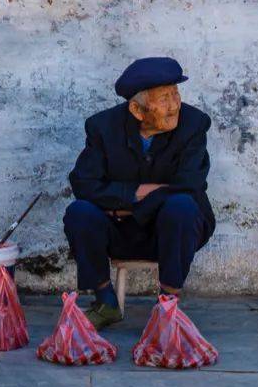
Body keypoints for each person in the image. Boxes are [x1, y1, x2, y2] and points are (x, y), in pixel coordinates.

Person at [63, 57, 215, 329]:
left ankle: (168, 305)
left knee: (181, 206)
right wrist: (138, 192)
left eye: (175, 94)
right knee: (79, 212)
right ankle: (106, 301)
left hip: (173, 231)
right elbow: (83, 184)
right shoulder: (102, 127)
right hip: (121, 232)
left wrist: (122, 204)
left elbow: (189, 185)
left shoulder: (194, 125)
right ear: (136, 109)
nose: (174, 106)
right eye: (164, 98)